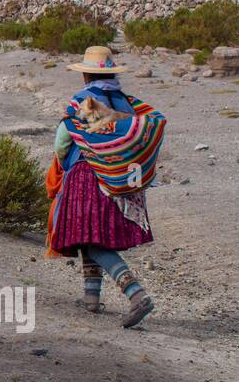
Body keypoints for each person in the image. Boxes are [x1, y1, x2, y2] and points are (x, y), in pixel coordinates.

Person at [46, 46, 159, 328]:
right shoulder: (128, 103)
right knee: (92, 233)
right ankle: (91, 298)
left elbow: (62, 140)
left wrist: (64, 164)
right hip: (120, 177)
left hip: (88, 175)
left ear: (85, 74)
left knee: (89, 238)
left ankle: (136, 294)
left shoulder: (83, 100)